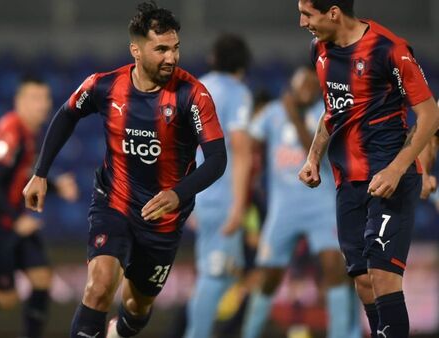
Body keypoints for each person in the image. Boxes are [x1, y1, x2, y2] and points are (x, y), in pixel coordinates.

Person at [22, 2, 227, 337]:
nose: (171, 58)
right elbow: (67, 113)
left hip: (162, 218)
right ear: (136, 49)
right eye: (160, 49)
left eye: (175, 48)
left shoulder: (193, 96)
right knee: (99, 286)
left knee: (137, 306)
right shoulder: (105, 86)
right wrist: (40, 172)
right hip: (113, 203)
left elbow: (218, 159)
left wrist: (178, 194)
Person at [297, 1, 439, 337]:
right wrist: (313, 156)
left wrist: (396, 170)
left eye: (307, 14)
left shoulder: (390, 50)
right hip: (348, 182)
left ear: (333, 12)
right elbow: (334, 110)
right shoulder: (320, 49)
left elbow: (431, 115)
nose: (302, 22)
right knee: (363, 282)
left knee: (382, 276)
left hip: (389, 179)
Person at [0, 78, 79, 338]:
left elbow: (19, 177)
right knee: (7, 299)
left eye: (45, 99)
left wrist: (54, 185)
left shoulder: (29, 135)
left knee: (42, 278)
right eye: (35, 98)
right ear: (19, 102)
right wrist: (15, 220)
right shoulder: (10, 130)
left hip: (13, 221)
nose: (43, 105)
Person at [241, 67, 360, 338]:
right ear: (290, 88)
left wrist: (293, 115)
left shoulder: (328, 113)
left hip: (322, 205)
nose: (304, 91)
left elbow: (313, 153)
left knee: (334, 267)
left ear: (318, 90)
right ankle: (249, 333)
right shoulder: (272, 114)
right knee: (269, 276)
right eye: (299, 87)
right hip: (284, 209)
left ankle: (342, 334)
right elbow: (248, 145)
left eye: (310, 87)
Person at [184, 33, 253, 338]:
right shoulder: (238, 93)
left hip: (198, 193)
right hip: (222, 197)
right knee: (214, 274)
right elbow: (240, 149)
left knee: (229, 270)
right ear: (242, 66)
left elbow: (180, 144)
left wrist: (184, 195)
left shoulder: (196, 87)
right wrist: (238, 205)